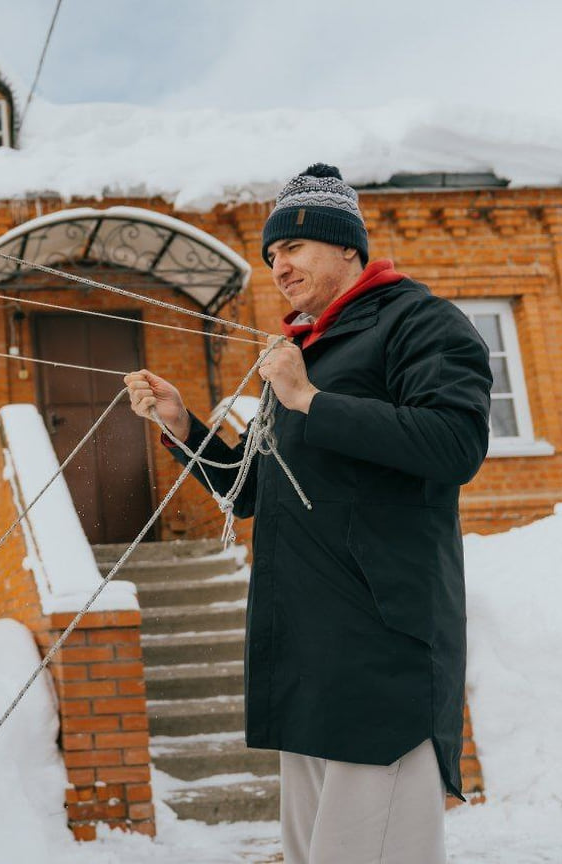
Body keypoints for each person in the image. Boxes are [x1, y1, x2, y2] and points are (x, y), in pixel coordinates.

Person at [124, 164, 492, 864]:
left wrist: (310, 402)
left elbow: (454, 444)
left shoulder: (418, 321)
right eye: (270, 256)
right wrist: (180, 424)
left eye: (291, 248)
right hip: (306, 650)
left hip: (380, 645)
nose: (278, 265)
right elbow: (251, 491)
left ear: (346, 247)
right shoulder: (304, 349)